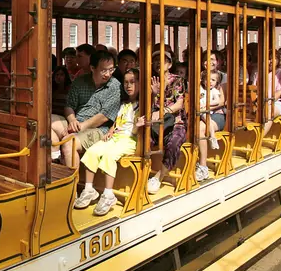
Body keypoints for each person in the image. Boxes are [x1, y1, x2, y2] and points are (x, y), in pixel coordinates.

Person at [75, 68, 145, 215]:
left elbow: (135, 130)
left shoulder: (143, 105)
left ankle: (108, 194)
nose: (128, 85)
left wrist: (136, 127)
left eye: (133, 82)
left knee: (108, 156)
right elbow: (119, 121)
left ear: (140, 83)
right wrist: (111, 130)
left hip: (129, 140)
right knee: (93, 151)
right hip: (115, 138)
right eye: (126, 82)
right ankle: (89, 189)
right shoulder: (124, 103)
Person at [50, 50, 121, 168]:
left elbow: (103, 117)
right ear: (92, 68)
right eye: (104, 70)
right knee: (47, 121)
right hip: (76, 123)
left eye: (111, 70)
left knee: (69, 143)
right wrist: (72, 121)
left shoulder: (115, 86)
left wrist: (79, 127)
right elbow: (69, 106)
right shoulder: (80, 81)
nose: (108, 74)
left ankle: (72, 184)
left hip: (99, 129)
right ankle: (56, 159)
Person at [146, 46, 188, 194]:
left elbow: (179, 103)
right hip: (155, 122)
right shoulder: (150, 80)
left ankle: (159, 176)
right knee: (144, 140)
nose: (159, 63)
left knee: (174, 141)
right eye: (156, 60)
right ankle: (141, 173)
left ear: (170, 64)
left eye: (163, 61)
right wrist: (154, 94)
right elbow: (148, 105)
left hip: (175, 121)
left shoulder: (177, 80)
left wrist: (163, 111)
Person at [196, 70, 225, 182]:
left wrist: (204, 106)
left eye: (213, 80)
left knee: (200, 127)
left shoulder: (215, 90)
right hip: (202, 111)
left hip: (215, 114)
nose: (210, 82)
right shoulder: (200, 87)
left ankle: (203, 167)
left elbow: (219, 102)